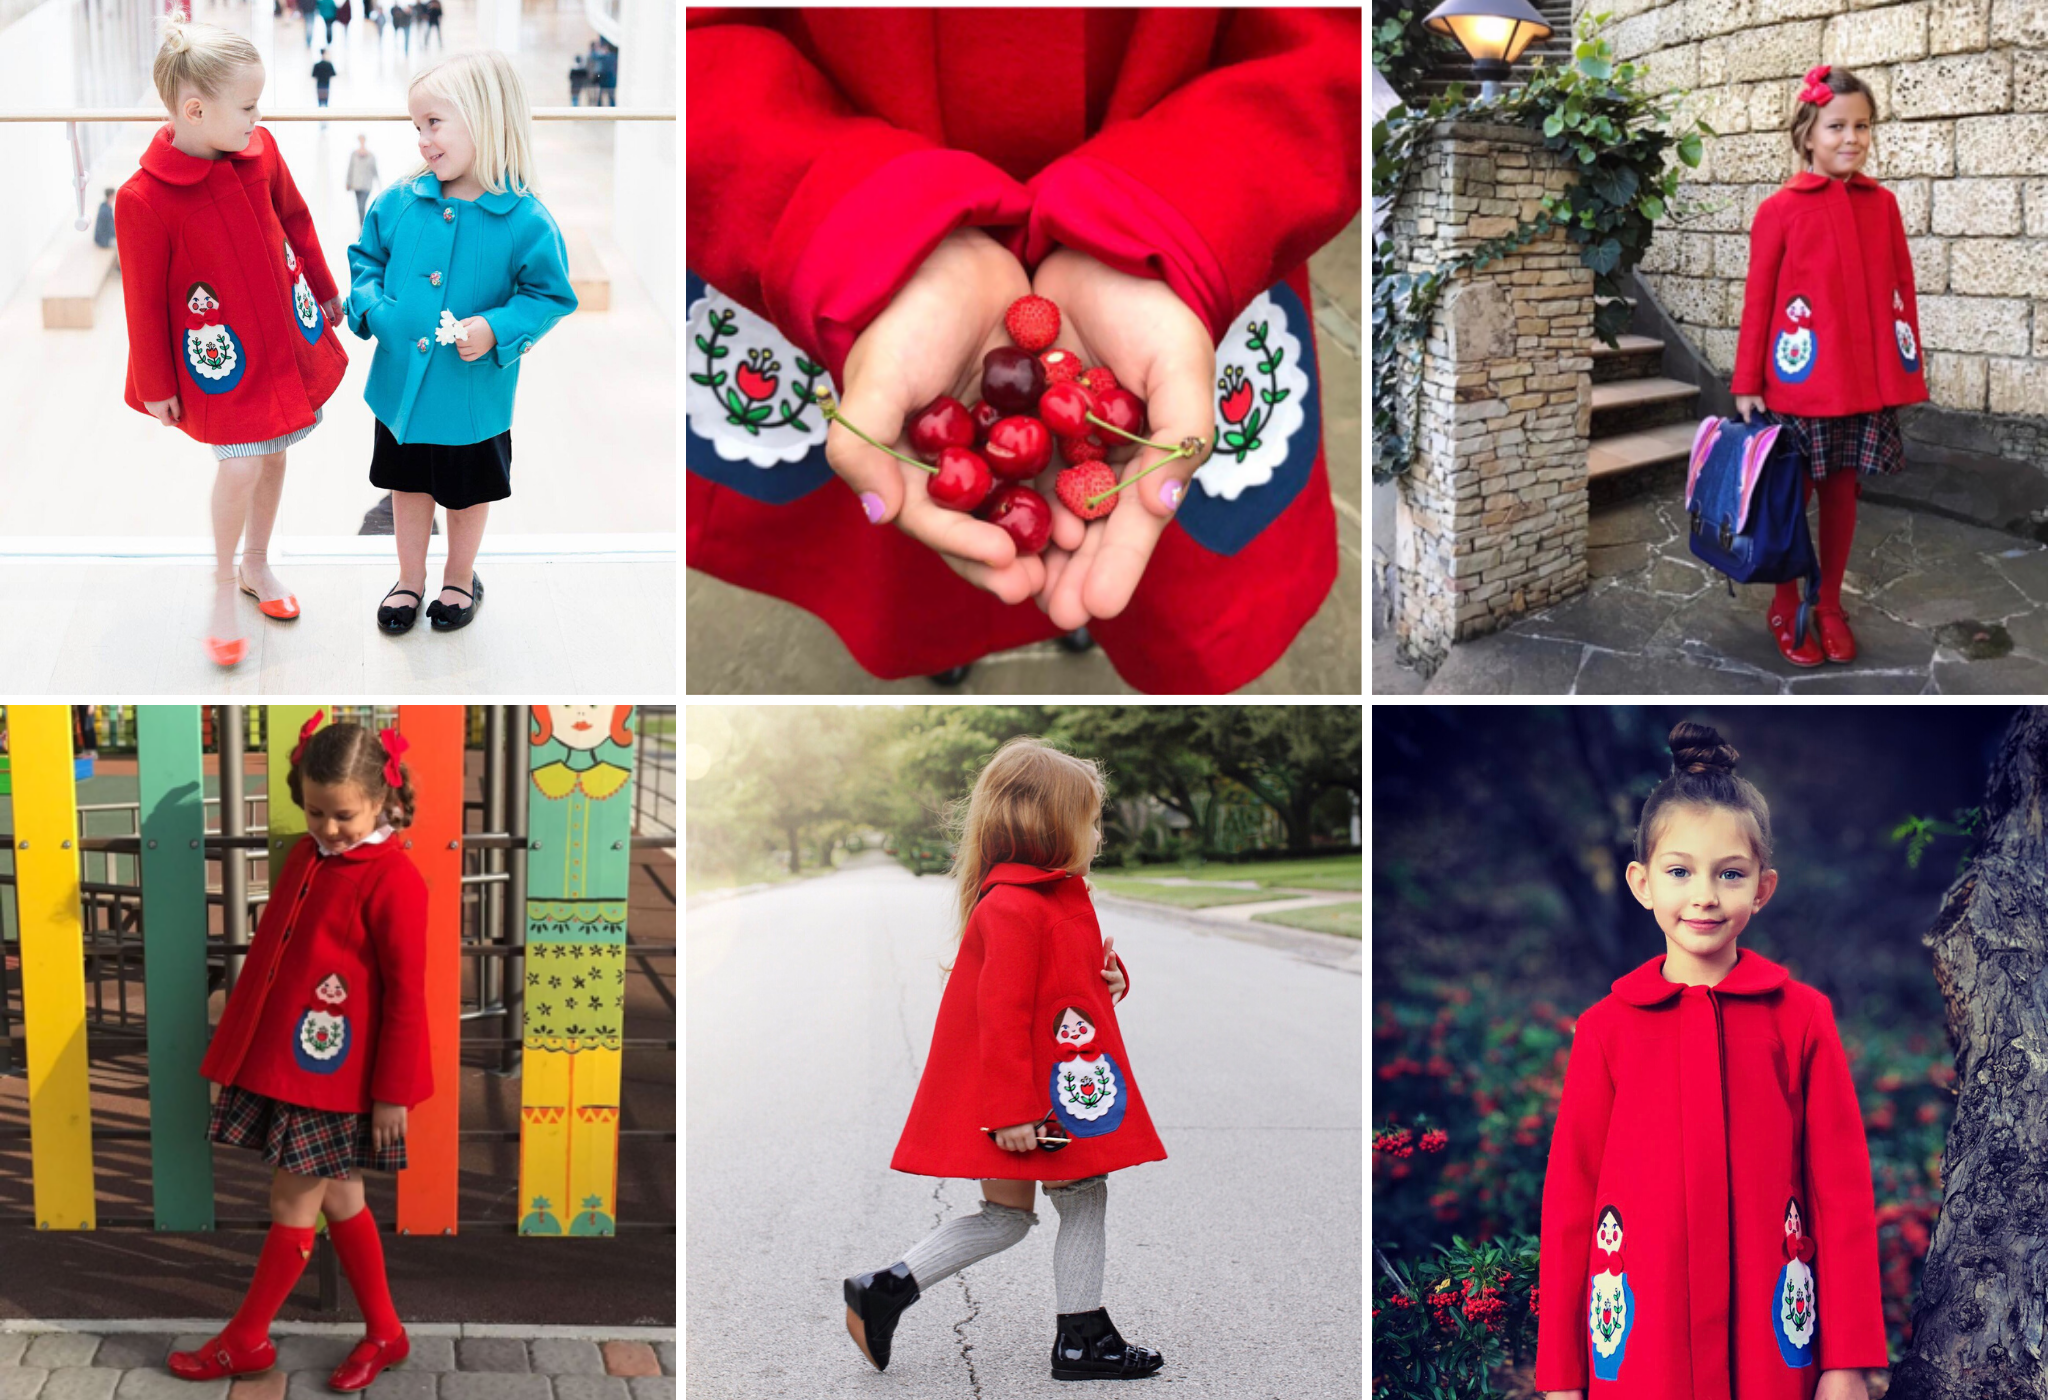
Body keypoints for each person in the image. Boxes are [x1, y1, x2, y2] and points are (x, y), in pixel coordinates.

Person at [685, 10, 1360, 694]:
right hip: (864, 247)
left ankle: (1052, 617)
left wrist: (1167, 221)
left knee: (1078, 512)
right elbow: (683, 50)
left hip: (1183, 212)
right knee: (919, 486)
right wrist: (863, 224)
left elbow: (1334, 42)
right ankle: (955, 633)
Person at [1533, 722, 1886, 1400]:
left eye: (1730, 874)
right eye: (1679, 872)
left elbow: (1840, 1195)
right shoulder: (1605, 1030)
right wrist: (1561, 1379)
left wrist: (1848, 1361)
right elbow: (1571, 1202)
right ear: (1641, 883)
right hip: (1642, 1352)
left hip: (1770, 1351)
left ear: (1763, 888)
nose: (1704, 895)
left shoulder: (1801, 1018)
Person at [845, 738, 1167, 1382]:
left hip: (1044, 1088)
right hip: (1036, 1099)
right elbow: (1001, 1016)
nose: (1098, 834)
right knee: (1083, 1198)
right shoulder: (1016, 906)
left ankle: (884, 1290)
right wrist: (1012, 1111)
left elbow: (1064, 990)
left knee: (1006, 1219)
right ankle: (1082, 1339)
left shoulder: (1051, 896)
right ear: (1048, 826)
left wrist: (1110, 978)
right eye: (1090, 820)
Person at [165, 716, 431, 1395]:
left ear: (381, 799)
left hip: (337, 1078)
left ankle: (246, 1340)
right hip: (295, 1065)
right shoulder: (309, 859)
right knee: (341, 1196)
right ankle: (386, 1333)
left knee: (292, 1198)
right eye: (315, 812)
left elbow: (407, 994)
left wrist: (393, 1092)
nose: (328, 827)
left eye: (344, 815)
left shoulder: (396, 880)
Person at [115, 16, 348, 666]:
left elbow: (295, 219)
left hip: (282, 342)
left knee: (274, 455)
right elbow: (142, 300)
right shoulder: (143, 199)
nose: (257, 117)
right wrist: (155, 384)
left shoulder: (261, 150)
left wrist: (324, 288)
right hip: (226, 361)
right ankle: (223, 585)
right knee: (241, 463)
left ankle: (256, 564)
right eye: (247, 106)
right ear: (195, 110)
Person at [346, 51, 576, 635]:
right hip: (401, 391)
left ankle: (459, 576)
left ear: (484, 118)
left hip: (473, 396)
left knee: (468, 493)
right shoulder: (400, 201)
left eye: (434, 123)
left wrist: (497, 327)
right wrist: (373, 310)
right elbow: (365, 261)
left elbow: (549, 294)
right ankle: (408, 578)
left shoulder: (525, 219)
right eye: (417, 126)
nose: (423, 139)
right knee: (406, 485)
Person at [1732, 65, 1927, 669]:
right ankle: (1785, 603)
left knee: (1843, 491)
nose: (1851, 138)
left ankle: (1830, 603)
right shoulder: (1779, 210)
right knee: (1789, 498)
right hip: (1798, 385)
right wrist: (1747, 381)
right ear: (1808, 135)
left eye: (1862, 126)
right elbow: (1759, 299)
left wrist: (1899, 367)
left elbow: (1900, 286)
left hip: (1861, 384)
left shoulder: (1883, 205)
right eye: (1837, 126)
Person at [347, 134, 379, 227]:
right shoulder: (354, 154)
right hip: (356, 185)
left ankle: (364, 226)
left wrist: (379, 184)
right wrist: (348, 182)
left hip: (366, 185)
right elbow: (350, 168)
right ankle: (362, 227)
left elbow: (375, 170)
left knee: (362, 206)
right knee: (359, 207)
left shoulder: (371, 155)